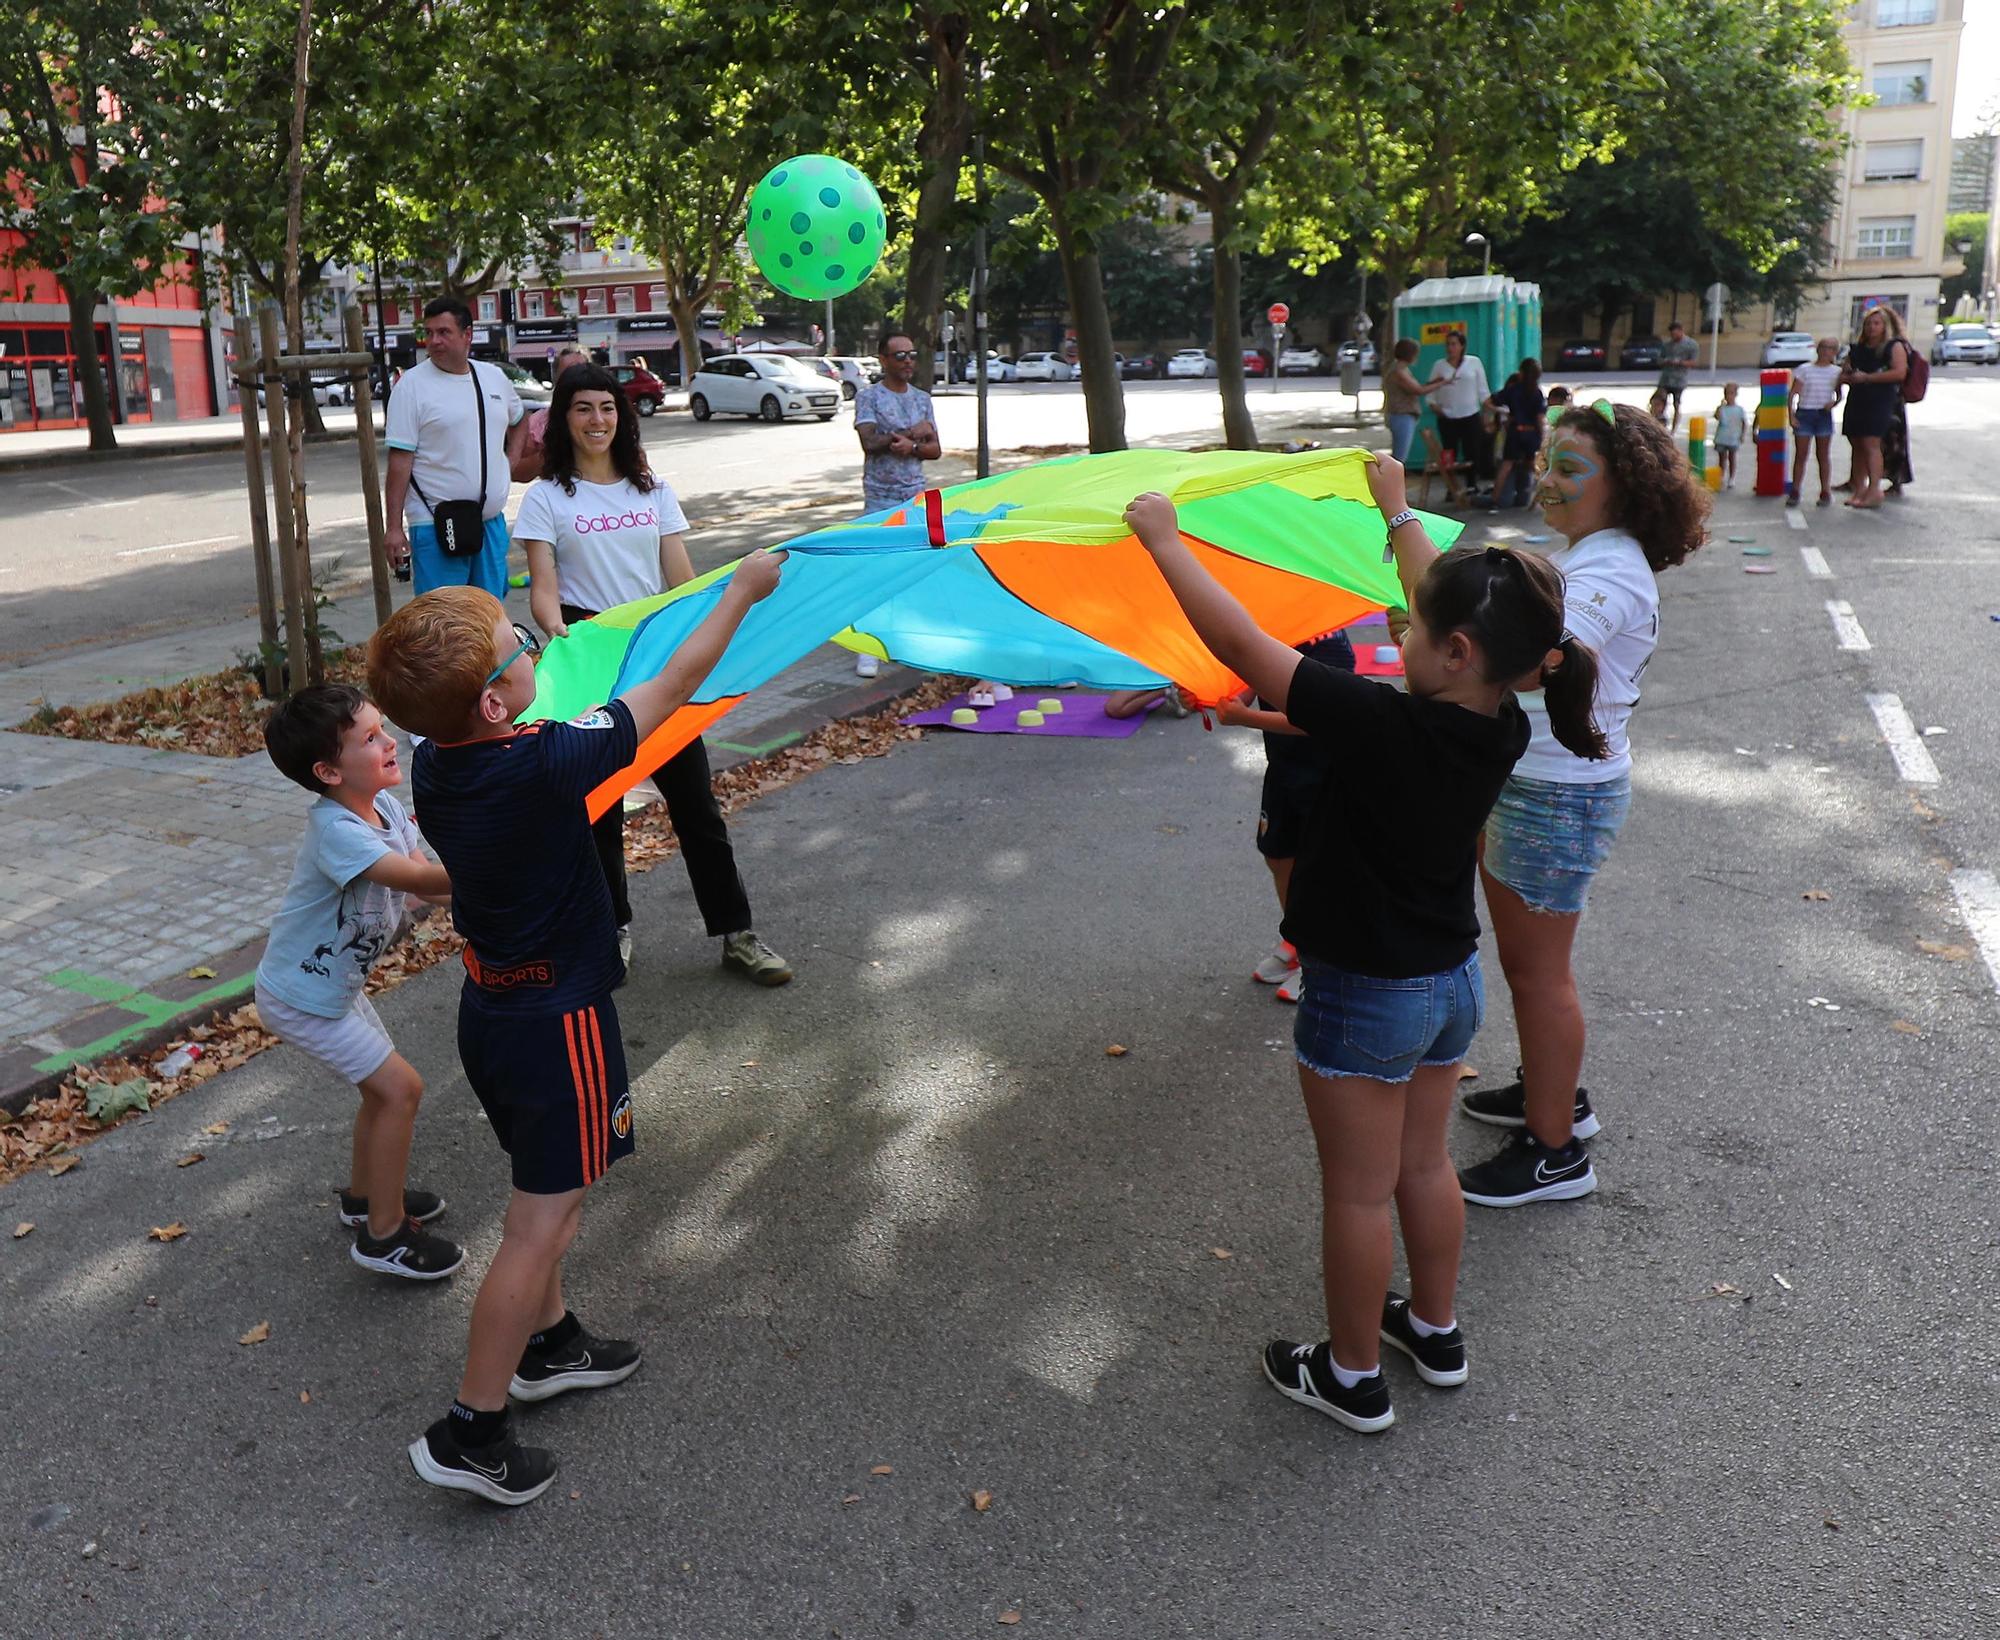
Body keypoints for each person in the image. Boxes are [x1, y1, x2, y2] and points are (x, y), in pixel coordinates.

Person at [1125, 466, 1606, 1435]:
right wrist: (1395, 512)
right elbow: (1445, 608)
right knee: (1421, 1164)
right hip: (1448, 985)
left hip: (1364, 993)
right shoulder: (1501, 718)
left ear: (1456, 650)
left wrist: (1164, 540)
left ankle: (1349, 1374)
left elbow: (1241, 645)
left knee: (1353, 1189)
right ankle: (1433, 1328)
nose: (1399, 634)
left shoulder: (1380, 722)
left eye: (1414, 632)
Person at [370, 555, 784, 1506]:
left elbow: (529, 706)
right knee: (542, 1219)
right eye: (519, 649)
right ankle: (472, 1429)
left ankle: (549, 1347)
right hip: (558, 1024)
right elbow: (673, 684)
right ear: (493, 704)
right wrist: (738, 593)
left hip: (493, 1015)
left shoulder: (440, 762)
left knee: (535, 1195)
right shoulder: (547, 759)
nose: (533, 647)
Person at [1457, 401, 1707, 1206]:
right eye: (1546, 464)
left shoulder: (1609, 572)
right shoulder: (1589, 554)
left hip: (1553, 796)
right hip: (1535, 784)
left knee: (1537, 975)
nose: (1547, 482)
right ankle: (1551, 1095)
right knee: (1528, 965)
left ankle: (1556, 1152)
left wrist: (1403, 526)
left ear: (1623, 488)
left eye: (1570, 470)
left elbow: (1538, 660)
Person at [518, 363, 791, 986]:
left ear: (624, 415)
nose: (597, 420)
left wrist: (724, 613)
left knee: (696, 804)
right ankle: (611, 931)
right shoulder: (545, 497)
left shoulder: (652, 490)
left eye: (608, 408)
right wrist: (558, 631)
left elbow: (683, 582)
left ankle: (736, 932)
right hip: (590, 658)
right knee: (600, 810)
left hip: (655, 659)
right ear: (563, 418)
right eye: (583, 408)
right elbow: (543, 590)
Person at [253, 684, 464, 1281]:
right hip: (302, 998)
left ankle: (366, 1199)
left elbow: (423, 883)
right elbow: (399, 872)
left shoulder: (385, 807)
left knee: (382, 1091)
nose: (389, 741)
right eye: (370, 739)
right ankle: (385, 1236)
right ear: (327, 771)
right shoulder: (338, 831)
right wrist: (503, 869)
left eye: (382, 728)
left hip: (330, 990)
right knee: (401, 1090)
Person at [1213, 631, 1358, 1005]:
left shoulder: (1329, 641)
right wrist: (1218, 698)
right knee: (1279, 855)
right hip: (1284, 768)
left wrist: (1248, 717)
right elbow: (1249, 677)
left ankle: (1323, 962)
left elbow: (1322, 720)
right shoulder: (1277, 628)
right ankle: (1300, 941)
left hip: (1324, 775)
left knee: (1320, 869)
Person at [385, 297, 528, 598]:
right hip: (436, 525)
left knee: (490, 619)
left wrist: (509, 463)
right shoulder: (410, 386)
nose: (433, 341)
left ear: (467, 335)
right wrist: (394, 528)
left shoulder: (493, 377)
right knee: (445, 623)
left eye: (444, 332)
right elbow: (399, 462)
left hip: (489, 523)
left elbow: (520, 419)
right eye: (429, 332)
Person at [852, 328, 942, 677]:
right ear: (884, 359)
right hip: (880, 497)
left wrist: (914, 446)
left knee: (916, 567)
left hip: (916, 495)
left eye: (912, 355)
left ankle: (909, 638)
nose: (908, 362)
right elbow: (870, 443)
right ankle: (868, 646)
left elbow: (935, 450)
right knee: (876, 568)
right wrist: (911, 432)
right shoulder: (868, 397)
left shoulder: (922, 398)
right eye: (900, 356)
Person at [1837, 307, 1912, 510]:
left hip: (1880, 400)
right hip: (1857, 398)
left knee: (1871, 443)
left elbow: (1899, 373)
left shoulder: (1893, 346)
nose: (1872, 327)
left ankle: (1874, 491)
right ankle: (1859, 489)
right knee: (1857, 443)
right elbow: (1844, 372)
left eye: (1877, 323)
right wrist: (1847, 377)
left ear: (1885, 326)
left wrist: (1868, 378)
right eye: (1869, 324)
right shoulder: (1858, 348)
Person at [510, 345, 590, 483]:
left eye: (583, 372)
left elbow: (636, 462)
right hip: (561, 497)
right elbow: (517, 472)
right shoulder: (540, 422)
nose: (578, 379)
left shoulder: (608, 416)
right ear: (557, 380)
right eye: (569, 373)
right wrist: (551, 450)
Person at [1425, 330, 1491, 498]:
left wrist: (1488, 412)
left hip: (1470, 414)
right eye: (1448, 344)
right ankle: (1451, 486)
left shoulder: (1473, 363)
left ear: (1462, 346)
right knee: (1449, 452)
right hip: (1447, 416)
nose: (1450, 348)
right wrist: (1435, 407)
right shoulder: (1439, 366)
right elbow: (1430, 391)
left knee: (1472, 450)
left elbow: (1483, 390)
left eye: (1454, 344)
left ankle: (1471, 484)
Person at [1786, 338, 1843, 507]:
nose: (1827, 351)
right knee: (1801, 455)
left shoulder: (1836, 372)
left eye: (1831, 349)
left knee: (1823, 455)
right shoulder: (1805, 369)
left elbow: (1839, 394)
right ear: (1818, 349)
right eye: (1824, 347)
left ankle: (1825, 491)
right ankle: (1795, 490)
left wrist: (1835, 402)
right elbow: (1793, 394)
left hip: (1823, 414)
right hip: (1805, 413)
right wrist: (1792, 415)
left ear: (1835, 352)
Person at [1485, 357, 1545, 511]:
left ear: (1521, 372)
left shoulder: (1513, 390)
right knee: (1534, 466)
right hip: (1531, 433)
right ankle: (1541, 499)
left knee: (1506, 465)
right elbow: (1539, 418)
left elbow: (1488, 401)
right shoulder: (1537, 393)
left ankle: (1494, 500)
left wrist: (1501, 411)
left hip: (1515, 431)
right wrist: (1542, 436)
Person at [1381, 339, 1440, 467]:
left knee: (1400, 455)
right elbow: (1418, 390)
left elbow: (1417, 386)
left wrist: (1434, 382)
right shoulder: (1399, 372)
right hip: (1401, 415)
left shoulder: (1400, 369)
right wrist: (1441, 383)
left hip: (1401, 415)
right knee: (1400, 457)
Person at [1656, 320, 1698, 433]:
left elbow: (1693, 362)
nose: (1673, 337)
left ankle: (1673, 430)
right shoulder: (1667, 345)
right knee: (1659, 401)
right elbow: (1659, 359)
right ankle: (1660, 425)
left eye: (1675, 334)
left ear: (1681, 331)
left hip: (1679, 379)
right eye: (1672, 335)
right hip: (1666, 378)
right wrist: (1666, 361)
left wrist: (1680, 362)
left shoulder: (1691, 344)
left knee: (1676, 404)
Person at [1711, 382, 1746, 489]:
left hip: (1733, 437)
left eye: (1731, 393)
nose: (1729, 396)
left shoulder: (1739, 409)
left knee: (1732, 457)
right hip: (1722, 437)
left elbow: (1744, 422)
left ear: (1736, 394)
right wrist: (1720, 407)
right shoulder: (1722, 408)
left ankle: (1732, 478)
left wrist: (1742, 435)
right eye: (1727, 394)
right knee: (1722, 458)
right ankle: (1721, 476)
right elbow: (1716, 417)